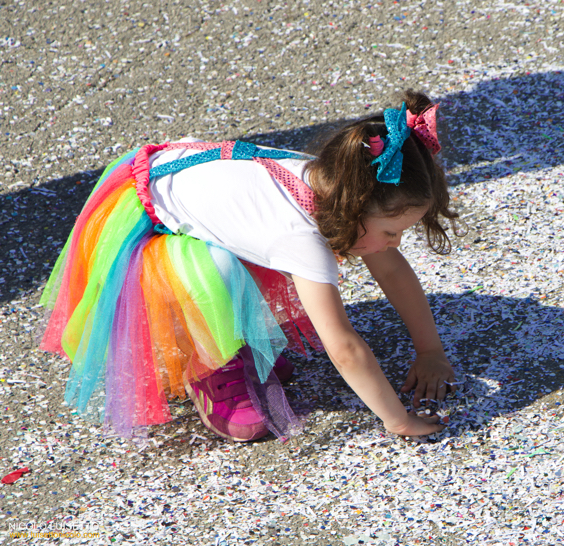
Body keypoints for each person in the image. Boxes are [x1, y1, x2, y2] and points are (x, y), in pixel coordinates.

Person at [39, 90, 459, 442]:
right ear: (356, 208)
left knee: (240, 259)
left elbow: (392, 269)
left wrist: (431, 351)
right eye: (391, 232)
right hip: (142, 219)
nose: (395, 243)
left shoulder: (337, 181)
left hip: (179, 172)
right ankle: (208, 361)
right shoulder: (298, 236)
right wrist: (397, 420)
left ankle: (239, 336)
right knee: (217, 270)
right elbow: (344, 348)